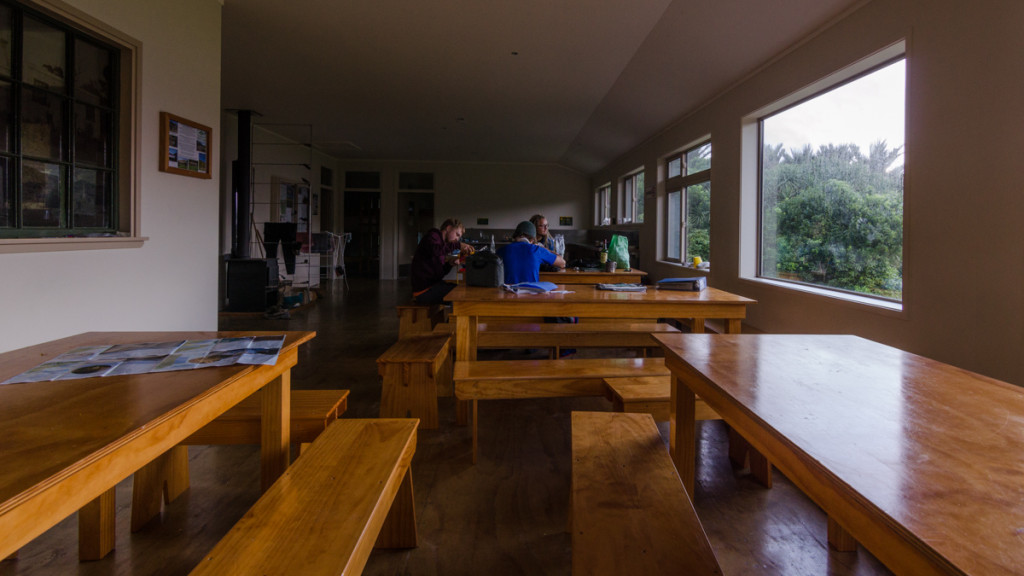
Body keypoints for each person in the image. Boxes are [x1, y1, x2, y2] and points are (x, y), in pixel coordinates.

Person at [411, 218, 473, 305]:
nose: (457, 239)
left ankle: (451, 319)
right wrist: (458, 245)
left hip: (433, 286)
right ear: (448, 228)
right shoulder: (432, 236)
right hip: (424, 291)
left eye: (459, 237)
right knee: (460, 294)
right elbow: (436, 250)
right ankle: (454, 318)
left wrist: (450, 264)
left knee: (460, 289)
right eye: (457, 234)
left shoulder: (441, 246)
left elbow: (439, 274)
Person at [499, 220, 566, 284]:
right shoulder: (537, 250)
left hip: (508, 293)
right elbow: (562, 263)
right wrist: (545, 249)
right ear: (532, 239)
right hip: (531, 293)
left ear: (515, 236)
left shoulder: (501, 250)